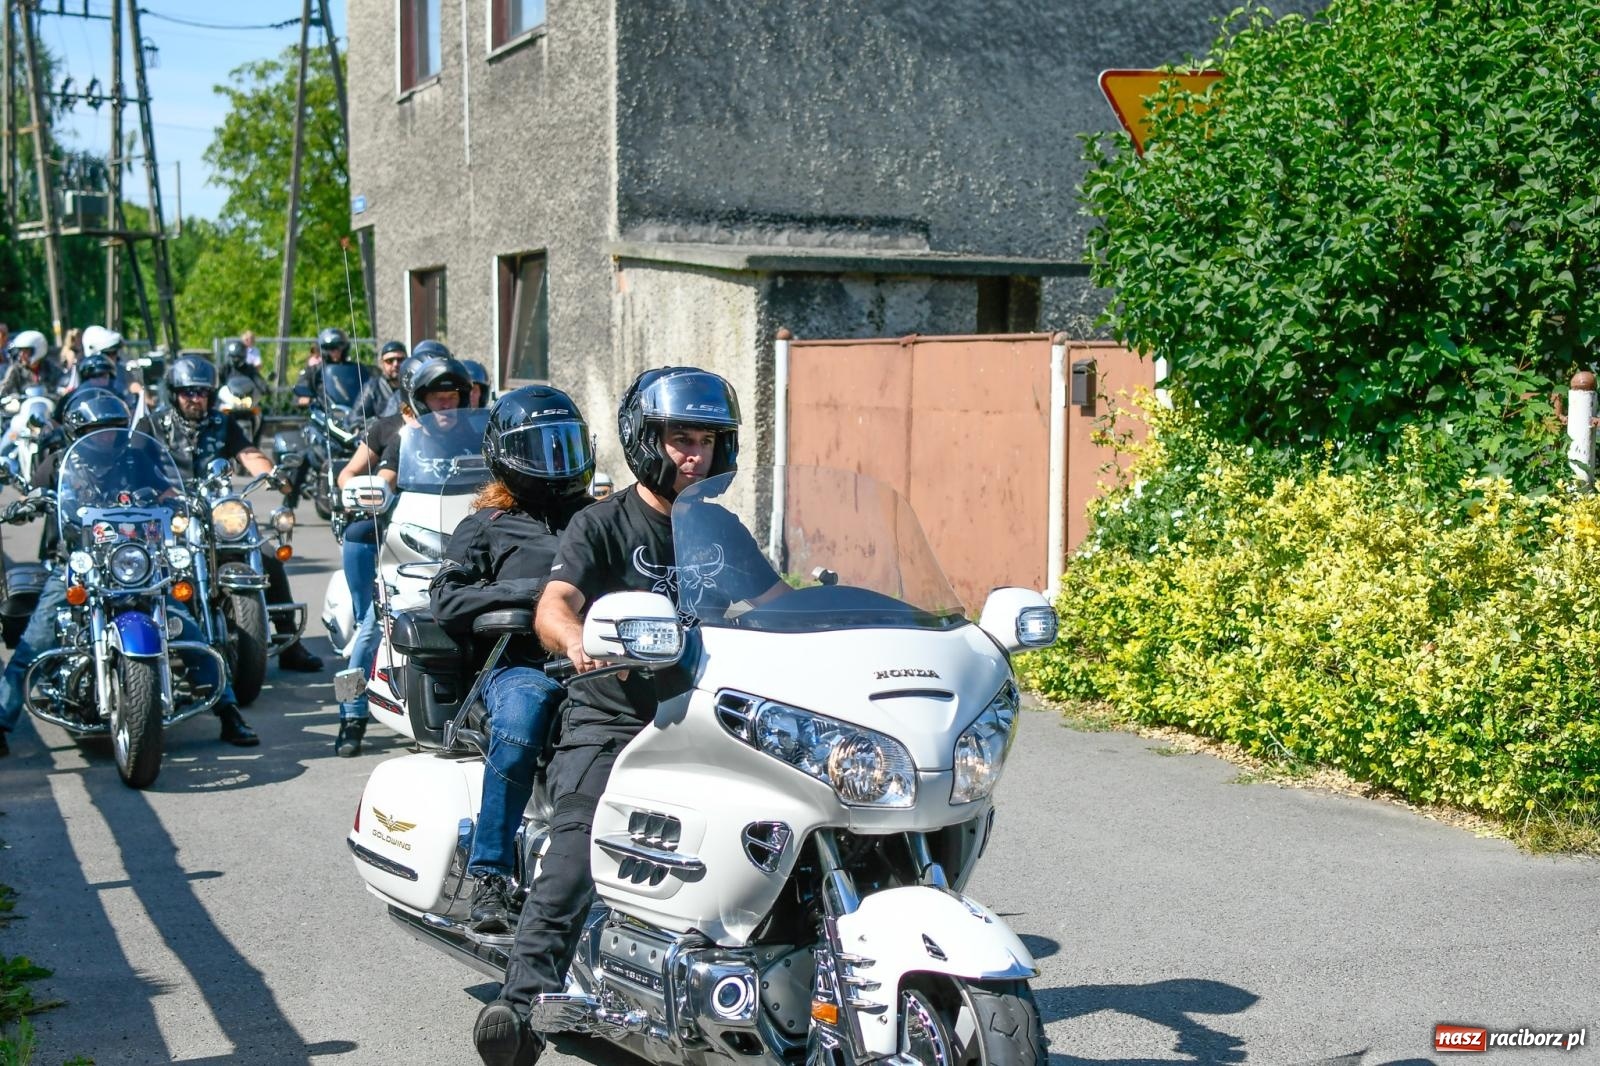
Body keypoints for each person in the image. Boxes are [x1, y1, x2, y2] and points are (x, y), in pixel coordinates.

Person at [473, 367, 784, 1066]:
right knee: (580, 847)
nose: (693, 454)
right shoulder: (603, 522)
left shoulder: (720, 530)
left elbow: (775, 602)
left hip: (705, 712)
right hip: (611, 719)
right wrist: (578, 643)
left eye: (706, 440)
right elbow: (555, 603)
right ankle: (521, 1007)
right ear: (648, 442)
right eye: (680, 438)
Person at [0, 390, 254, 753]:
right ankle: (1, 721)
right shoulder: (59, 463)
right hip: (79, 562)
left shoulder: (134, 458)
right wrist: (26, 506)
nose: (106, 436)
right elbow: (36, 498)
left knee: (191, 632)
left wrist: (182, 500)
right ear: (78, 430)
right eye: (97, 430)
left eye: (113, 428)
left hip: (137, 561)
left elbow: (167, 489)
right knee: (35, 639)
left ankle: (229, 712)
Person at [430, 386, 593, 932]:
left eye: (565, 446)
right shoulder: (485, 526)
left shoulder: (598, 519)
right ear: (506, 455)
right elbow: (446, 600)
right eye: (540, 449)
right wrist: (534, 597)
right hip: (521, 666)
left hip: (602, 661)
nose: (557, 463)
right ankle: (492, 878)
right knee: (523, 719)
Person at [142, 355, 325, 679]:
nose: (196, 399)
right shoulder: (153, 425)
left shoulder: (221, 423)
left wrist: (273, 474)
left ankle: (288, 641)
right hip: (169, 515)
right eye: (189, 392)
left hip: (214, 509)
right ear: (174, 394)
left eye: (202, 392)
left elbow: (248, 453)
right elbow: (135, 462)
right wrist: (156, 490)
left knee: (265, 553)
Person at [332, 349, 474, 756]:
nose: (445, 404)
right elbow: (384, 477)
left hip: (463, 536)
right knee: (374, 624)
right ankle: (352, 714)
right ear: (418, 399)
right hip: (407, 539)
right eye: (436, 397)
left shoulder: (477, 435)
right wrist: (375, 492)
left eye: (452, 396)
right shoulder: (401, 436)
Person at [294, 327, 349, 407]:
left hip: (350, 412)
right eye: (332, 348)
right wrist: (305, 397)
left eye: (339, 347)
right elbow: (302, 386)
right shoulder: (314, 371)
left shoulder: (353, 370)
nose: (336, 351)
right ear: (324, 349)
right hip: (323, 412)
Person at [353, 340, 406, 422]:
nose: (395, 364)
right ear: (382, 363)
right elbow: (356, 418)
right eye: (390, 360)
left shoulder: (412, 386)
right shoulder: (372, 387)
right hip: (384, 433)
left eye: (400, 360)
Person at [1, 331, 59, 398]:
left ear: (38, 349)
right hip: (23, 407)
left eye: (26, 351)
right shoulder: (16, 369)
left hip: (47, 406)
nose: (21, 355)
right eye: (20, 351)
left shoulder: (49, 367)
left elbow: (62, 382)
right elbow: (5, 386)